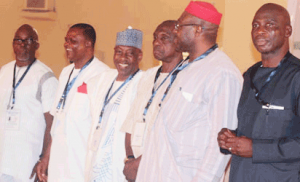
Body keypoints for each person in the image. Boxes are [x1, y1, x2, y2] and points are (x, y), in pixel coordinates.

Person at [136, 1, 243, 181]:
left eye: (179, 25)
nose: (175, 31)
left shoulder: (222, 73)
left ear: (197, 30)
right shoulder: (185, 67)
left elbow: (221, 147)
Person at [217, 3, 300, 182]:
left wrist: (256, 149)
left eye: (269, 25)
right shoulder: (249, 75)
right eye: (255, 25)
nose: (260, 31)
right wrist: (230, 138)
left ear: (287, 31)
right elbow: (255, 129)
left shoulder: (296, 76)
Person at [36, 23, 109, 182]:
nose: (67, 44)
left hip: (82, 166)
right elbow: (57, 121)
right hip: (58, 164)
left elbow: (103, 128)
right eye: (66, 40)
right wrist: (46, 158)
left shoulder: (103, 75)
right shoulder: (65, 72)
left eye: (73, 41)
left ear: (88, 44)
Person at [120, 20, 183, 182]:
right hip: (137, 169)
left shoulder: (186, 77)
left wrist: (143, 162)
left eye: (164, 38)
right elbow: (131, 123)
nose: (156, 42)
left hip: (165, 167)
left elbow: (175, 134)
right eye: (155, 38)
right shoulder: (148, 76)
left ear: (179, 41)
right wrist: (130, 159)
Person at [0, 24, 58, 182]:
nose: (22, 44)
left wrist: (43, 159)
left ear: (37, 45)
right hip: (3, 158)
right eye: (18, 40)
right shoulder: (4, 72)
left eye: (28, 40)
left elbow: (52, 123)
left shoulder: (46, 77)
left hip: (27, 161)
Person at [84, 27, 143, 182]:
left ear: (140, 56)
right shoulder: (103, 80)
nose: (122, 58)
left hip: (120, 162)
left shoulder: (143, 83)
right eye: (118, 52)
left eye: (129, 53)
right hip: (96, 159)